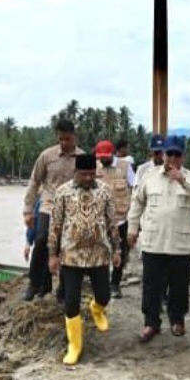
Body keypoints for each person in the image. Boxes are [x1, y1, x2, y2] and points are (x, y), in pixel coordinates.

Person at [126, 136, 190, 342]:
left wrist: (182, 180)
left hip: (181, 244)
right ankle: (151, 323)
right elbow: (137, 203)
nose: (172, 158)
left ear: (183, 156)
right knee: (151, 285)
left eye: (176, 154)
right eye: (168, 154)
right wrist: (132, 229)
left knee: (179, 285)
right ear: (163, 155)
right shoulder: (149, 176)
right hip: (154, 241)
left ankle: (177, 320)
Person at [48, 153, 121, 367]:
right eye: (84, 174)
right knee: (71, 302)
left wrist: (117, 250)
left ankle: (96, 309)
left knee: (104, 295)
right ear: (75, 172)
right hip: (71, 255)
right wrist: (52, 255)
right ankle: (75, 346)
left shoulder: (105, 191)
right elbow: (56, 226)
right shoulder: (62, 192)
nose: (88, 178)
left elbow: (112, 223)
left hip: (99, 254)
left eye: (92, 174)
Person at [22, 119, 84, 301]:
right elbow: (34, 181)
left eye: (68, 139)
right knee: (42, 240)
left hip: (72, 209)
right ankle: (35, 282)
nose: (64, 143)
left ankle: (63, 289)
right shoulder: (47, 156)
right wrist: (27, 209)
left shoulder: (83, 158)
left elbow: (91, 183)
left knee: (67, 249)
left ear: (75, 136)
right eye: (61, 139)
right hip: (48, 205)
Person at [95, 140, 135, 298]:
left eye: (106, 157)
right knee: (101, 252)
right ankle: (102, 284)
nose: (103, 160)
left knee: (121, 252)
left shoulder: (125, 167)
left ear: (112, 154)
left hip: (121, 219)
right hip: (100, 219)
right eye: (100, 158)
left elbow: (136, 188)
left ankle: (115, 284)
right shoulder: (95, 167)